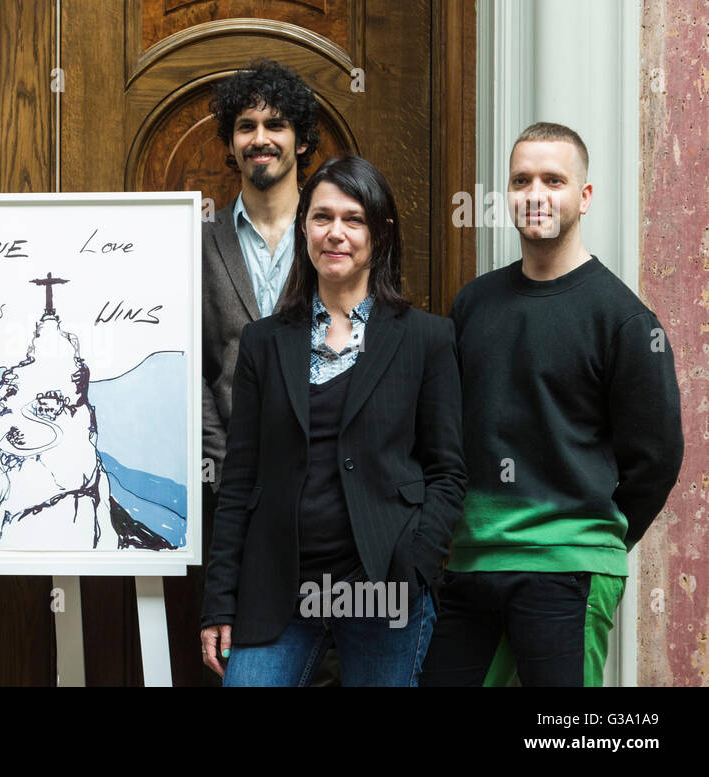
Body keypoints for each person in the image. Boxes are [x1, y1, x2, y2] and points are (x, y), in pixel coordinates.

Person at [421, 123, 683, 687]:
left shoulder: (624, 321)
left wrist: (588, 534)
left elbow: (656, 459)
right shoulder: (473, 303)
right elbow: (444, 431)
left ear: (584, 197)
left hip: (570, 566)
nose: (535, 194)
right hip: (470, 564)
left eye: (553, 180)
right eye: (521, 180)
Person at [199, 155, 466, 686]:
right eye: (322, 218)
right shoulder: (264, 342)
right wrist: (219, 603)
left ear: (380, 233)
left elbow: (448, 473)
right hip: (280, 590)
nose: (335, 233)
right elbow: (238, 483)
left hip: (383, 591)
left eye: (354, 219)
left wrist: (416, 563)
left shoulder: (426, 339)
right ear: (304, 228)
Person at [184, 58, 321, 685]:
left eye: (275, 123)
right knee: (249, 655)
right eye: (245, 125)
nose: (259, 137)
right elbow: (196, 367)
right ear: (230, 142)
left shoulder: (334, 231)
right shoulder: (199, 240)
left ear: (301, 139)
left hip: (331, 480)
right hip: (235, 492)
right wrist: (229, 461)